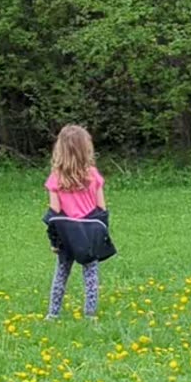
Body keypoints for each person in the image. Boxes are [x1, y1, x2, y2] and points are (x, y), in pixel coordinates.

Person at [43, 125, 114, 319]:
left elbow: (54, 215)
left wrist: (55, 243)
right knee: (90, 274)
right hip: (89, 233)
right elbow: (101, 209)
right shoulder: (93, 176)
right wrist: (102, 237)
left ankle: (53, 314)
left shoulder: (55, 179)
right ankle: (90, 314)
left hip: (67, 235)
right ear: (86, 148)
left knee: (61, 274)